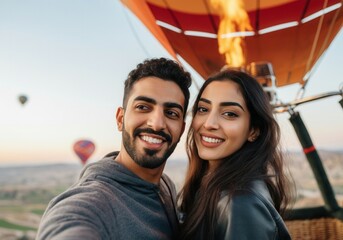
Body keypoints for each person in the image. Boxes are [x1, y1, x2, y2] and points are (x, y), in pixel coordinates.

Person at [37, 57, 192, 240]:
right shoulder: (92, 204)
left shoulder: (166, 187)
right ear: (120, 119)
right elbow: (68, 224)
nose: (157, 124)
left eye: (171, 113)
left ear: (181, 129)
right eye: (143, 107)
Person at [177, 69, 293, 239]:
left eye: (230, 114)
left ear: (253, 130)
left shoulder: (241, 203)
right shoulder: (210, 184)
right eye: (203, 109)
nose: (209, 124)